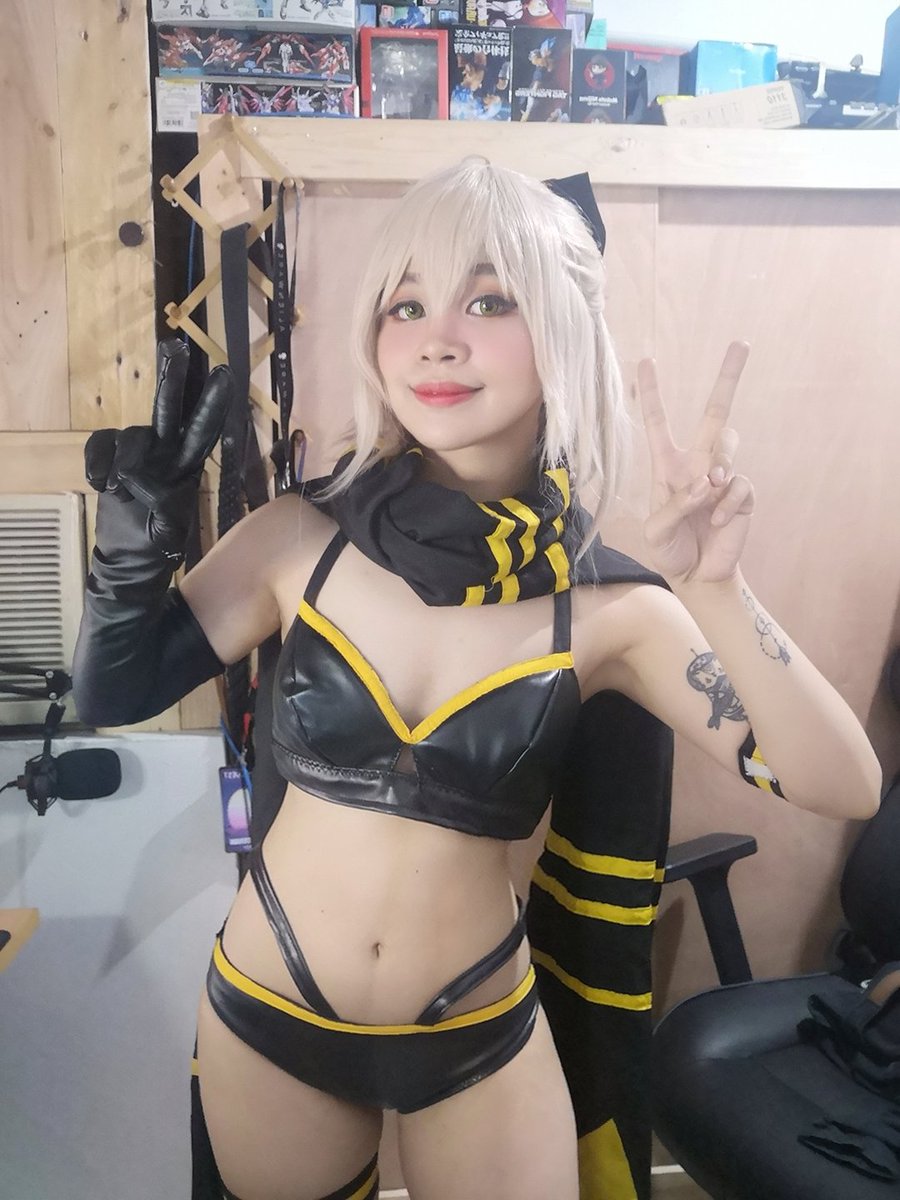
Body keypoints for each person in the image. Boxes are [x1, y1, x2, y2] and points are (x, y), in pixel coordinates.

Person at [72, 158, 882, 1200]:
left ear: (565, 332)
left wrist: (718, 592)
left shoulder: (610, 611)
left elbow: (843, 784)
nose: (436, 339)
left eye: (489, 301)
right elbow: (113, 696)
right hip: (273, 1012)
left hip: (478, 1033)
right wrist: (130, 552)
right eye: (405, 305)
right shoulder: (297, 540)